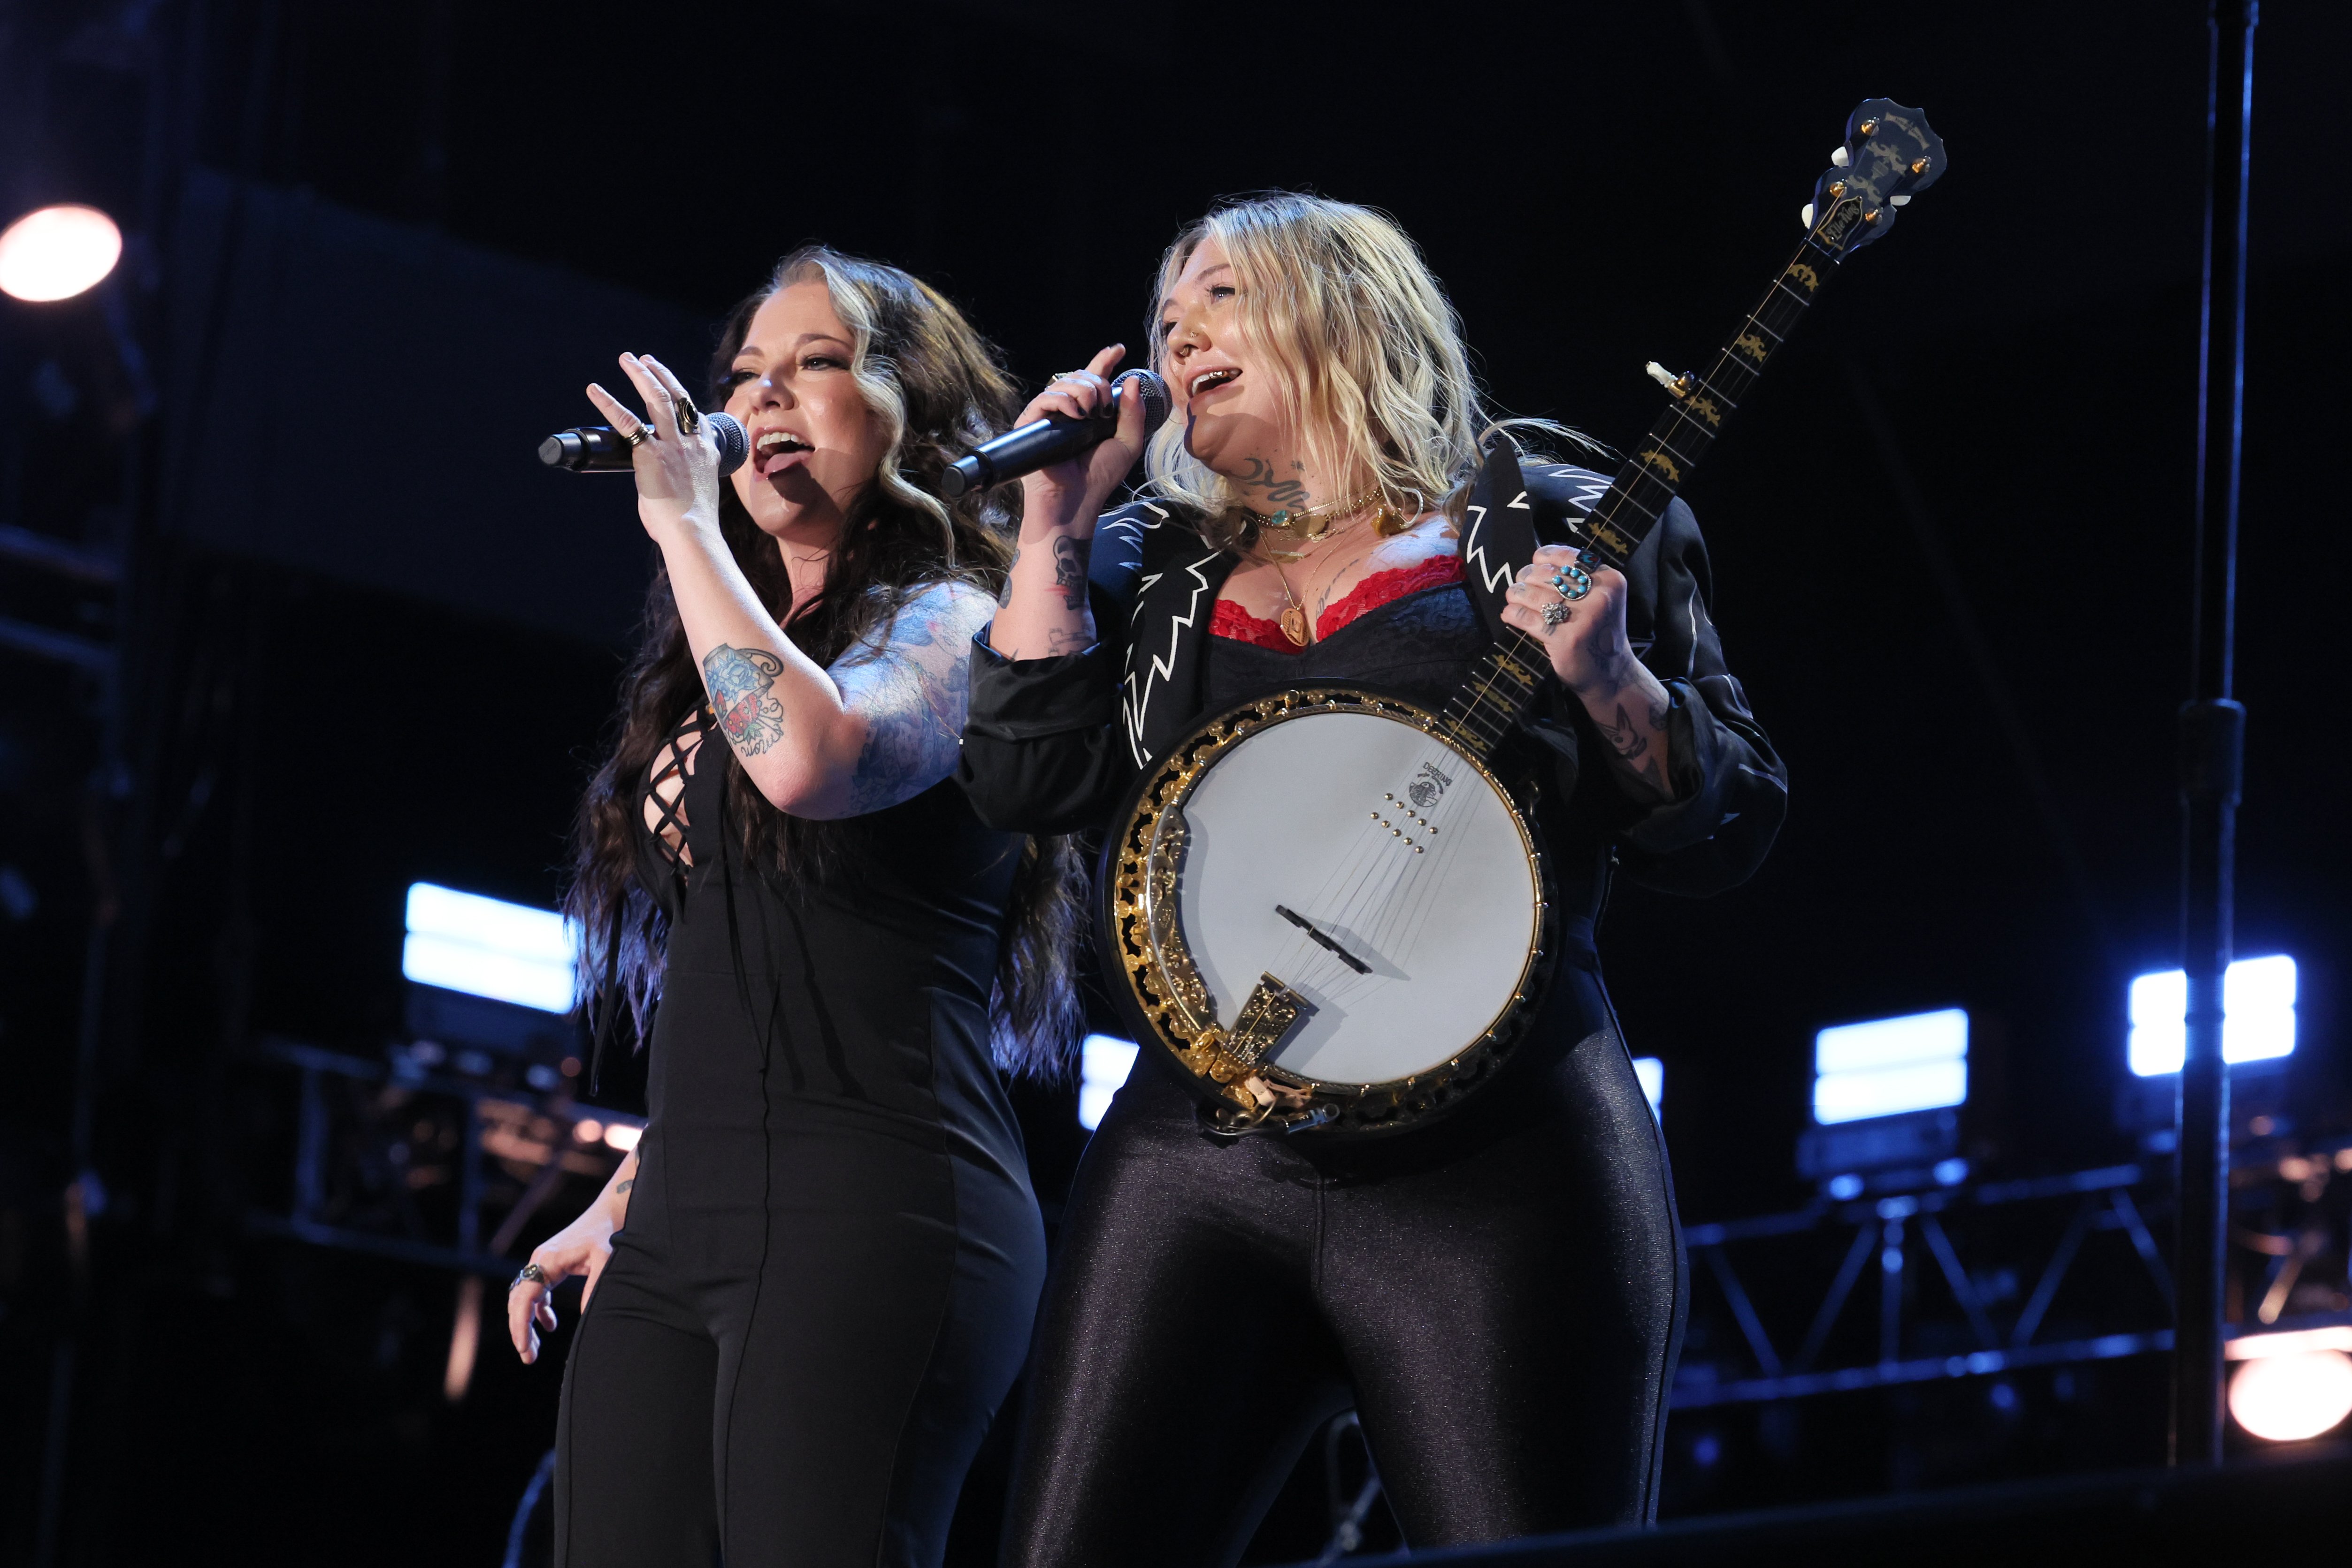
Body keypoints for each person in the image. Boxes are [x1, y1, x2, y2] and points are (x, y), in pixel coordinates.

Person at [959, 194, 1788, 1561]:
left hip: (1503, 1161)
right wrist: (1051, 519)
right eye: (1164, 314)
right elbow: (1024, 786)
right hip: (1196, 1152)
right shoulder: (1140, 564)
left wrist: (1608, 676)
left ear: (1343, 307)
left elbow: (1732, 823)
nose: (1175, 335)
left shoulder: (1556, 515)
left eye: (1216, 298)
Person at [505, 246, 1081, 1568]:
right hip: (686, 1217)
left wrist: (686, 527)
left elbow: (813, 761)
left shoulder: (955, 620)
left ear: (915, 417)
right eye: (744, 378)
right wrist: (635, 1186)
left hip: (874, 1212)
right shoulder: (727, 641)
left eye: (816, 367)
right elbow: (740, 960)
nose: (761, 404)